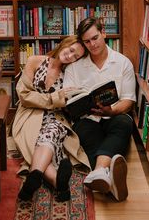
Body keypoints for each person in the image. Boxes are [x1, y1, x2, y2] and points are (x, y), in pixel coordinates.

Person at [63, 17, 136, 202]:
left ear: (103, 33)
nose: (92, 44)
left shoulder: (122, 62)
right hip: (87, 120)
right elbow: (68, 101)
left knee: (125, 124)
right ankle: (107, 177)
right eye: (87, 41)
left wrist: (111, 111)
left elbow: (128, 100)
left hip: (114, 116)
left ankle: (98, 172)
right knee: (85, 131)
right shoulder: (74, 67)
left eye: (95, 38)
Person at [12, 36, 90, 202]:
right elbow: (24, 95)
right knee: (35, 140)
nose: (70, 56)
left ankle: (32, 181)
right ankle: (59, 184)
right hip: (29, 114)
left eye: (75, 57)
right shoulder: (34, 61)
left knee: (51, 133)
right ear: (64, 44)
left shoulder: (70, 73)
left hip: (57, 117)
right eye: (70, 50)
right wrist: (55, 98)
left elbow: (67, 106)